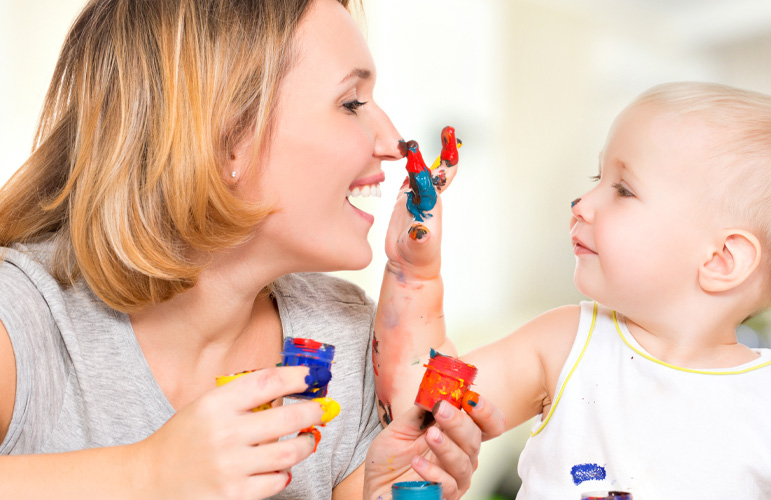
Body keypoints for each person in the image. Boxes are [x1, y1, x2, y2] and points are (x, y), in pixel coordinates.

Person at [0, 0, 503, 498]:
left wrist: (395, 491)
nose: (394, 140)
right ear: (225, 141)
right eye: (351, 103)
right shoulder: (24, 320)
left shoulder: (343, 340)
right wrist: (146, 475)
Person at [372, 82, 771, 499]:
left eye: (623, 189)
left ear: (721, 259)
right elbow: (422, 400)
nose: (581, 204)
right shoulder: (565, 342)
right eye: (596, 177)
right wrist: (413, 275)